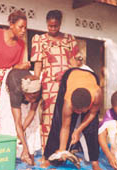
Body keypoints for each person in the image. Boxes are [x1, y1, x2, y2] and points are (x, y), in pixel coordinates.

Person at [31, 9, 79, 152]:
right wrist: (36, 81)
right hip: (49, 85)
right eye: (50, 26)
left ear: (60, 24)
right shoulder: (39, 39)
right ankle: (47, 152)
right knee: (48, 118)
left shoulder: (70, 39)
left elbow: (75, 63)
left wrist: (66, 74)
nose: (53, 29)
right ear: (47, 24)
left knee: (66, 116)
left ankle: (63, 150)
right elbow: (38, 63)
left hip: (67, 84)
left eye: (56, 26)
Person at [41, 68, 104, 170]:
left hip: (91, 77)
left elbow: (92, 113)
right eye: (76, 111)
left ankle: (94, 161)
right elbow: (65, 128)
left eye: (81, 112)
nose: (78, 114)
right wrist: (62, 150)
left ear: (89, 105)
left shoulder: (97, 94)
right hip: (70, 76)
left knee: (92, 126)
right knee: (58, 121)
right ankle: (49, 157)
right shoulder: (68, 103)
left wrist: (78, 130)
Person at [0, 69, 42, 165]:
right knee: (9, 123)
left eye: (35, 98)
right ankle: (9, 155)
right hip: (11, 82)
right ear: (24, 93)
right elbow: (17, 121)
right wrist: (24, 148)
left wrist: (23, 129)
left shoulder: (37, 89)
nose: (33, 101)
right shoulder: (16, 91)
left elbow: (32, 112)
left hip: (26, 82)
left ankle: (30, 153)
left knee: (32, 125)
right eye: (30, 98)